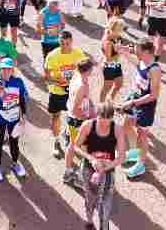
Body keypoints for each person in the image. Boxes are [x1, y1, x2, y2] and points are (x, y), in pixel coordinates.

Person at [73, 102, 126, 230]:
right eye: (101, 121)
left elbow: (121, 157)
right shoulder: (87, 126)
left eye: (107, 122)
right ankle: (90, 221)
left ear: (112, 119)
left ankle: (104, 226)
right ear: (96, 116)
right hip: (88, 169)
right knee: (90, 198)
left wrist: (104, 168)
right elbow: (76, 146)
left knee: (105, 204)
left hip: (108, 171)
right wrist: (91, 159)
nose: (103, 125)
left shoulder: (117, 129)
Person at [121, 38, 161, 179]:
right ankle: (135, 152)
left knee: (142, 134)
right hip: (135, 97)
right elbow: (134, 62)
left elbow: (154, 95)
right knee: (126, 125)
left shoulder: (154, 69)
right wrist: (123, 51)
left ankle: (141, 165)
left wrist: (133, 103)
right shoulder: (142, 62)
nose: (135, 51)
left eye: (137, 49)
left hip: (145, 104)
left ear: (145, 51)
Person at [44, 30, 86, 158]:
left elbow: (85, 71)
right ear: (59, 42)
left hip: (73, 92)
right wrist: (58, 82)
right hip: (57, 92)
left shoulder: (78, 54)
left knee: (75, 116)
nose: (65, 46)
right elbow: (46, 77)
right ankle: (56, 142)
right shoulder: (52, 56)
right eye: (62, 43)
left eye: (68, 44)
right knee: (56, 117)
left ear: (72, 42)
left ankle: (69, 134)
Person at [0, 58, 29, 182]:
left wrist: (23, 115)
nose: (6, 71)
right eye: (4, 69)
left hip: (14, 118)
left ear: (12, 70)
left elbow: (22, 99)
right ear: (0, 70)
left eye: (9, 69)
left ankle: (15, 163)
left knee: (14, 142)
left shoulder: (18, 82)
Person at [63, 59, 97, 185]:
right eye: (91, 69)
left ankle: (69, 171)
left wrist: (92, 108)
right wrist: (87, 119)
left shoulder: (77, 76)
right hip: (77, 120)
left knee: (73, 145)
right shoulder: (82, 86)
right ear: (88, 70)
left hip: (74, 119)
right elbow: (75, 109)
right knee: (80, 147)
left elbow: (85, 100)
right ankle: (75, 176)